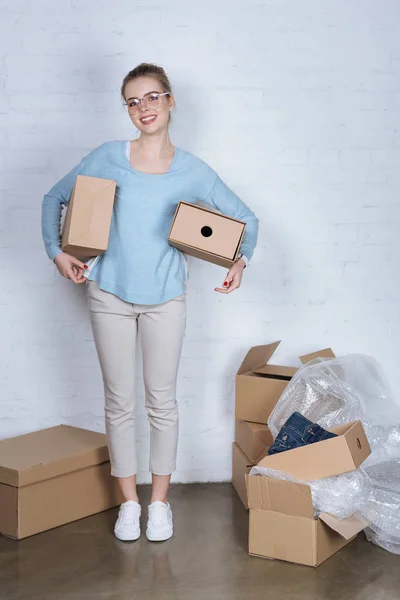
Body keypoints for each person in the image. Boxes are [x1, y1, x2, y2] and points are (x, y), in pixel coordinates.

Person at [41, 63, 259, 543]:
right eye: (134, 101)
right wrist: (56, 252)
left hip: (167, 298)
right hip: (109, 294)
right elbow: (54, 198)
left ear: (170, 101)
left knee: (162, 402)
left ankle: (159, 503)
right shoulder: (105, 157)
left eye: (152, 97)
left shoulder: (192, 170)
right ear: (127, 109)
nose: (144, 108)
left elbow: (245, 217)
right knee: (119, 402)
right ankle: (128, 504)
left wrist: (239, 259)